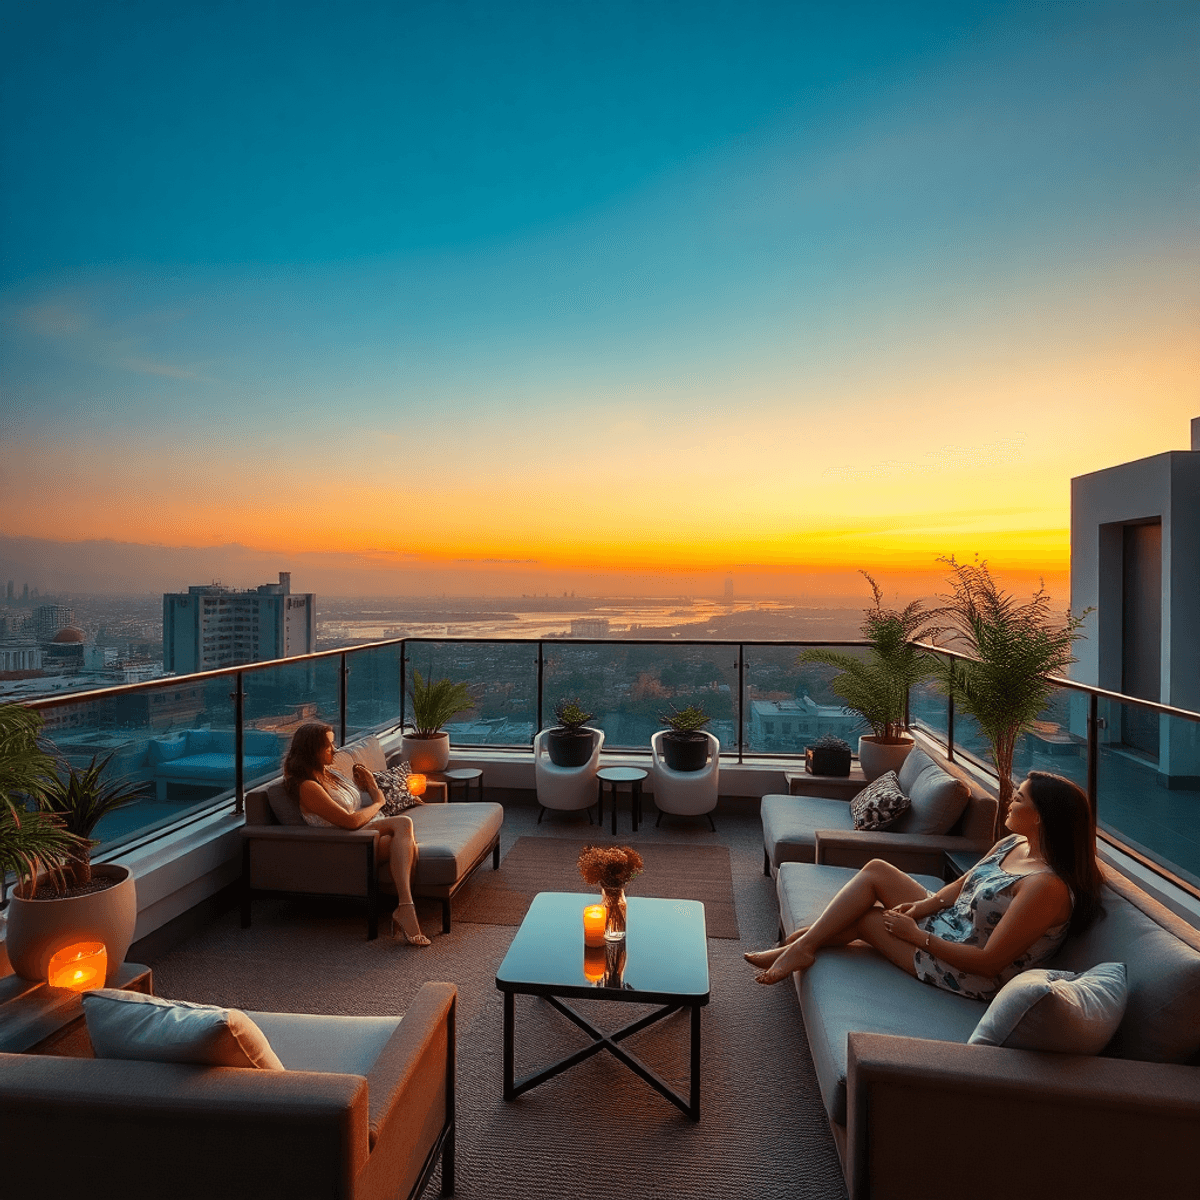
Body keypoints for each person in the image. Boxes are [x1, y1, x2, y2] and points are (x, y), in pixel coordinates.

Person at [746, 771, 1103, 996]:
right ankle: (803, 944)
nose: (1009, 801)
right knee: (876, 870)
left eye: (1019, 798)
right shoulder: (1014, 843)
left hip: (964, 970)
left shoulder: (1046, 887)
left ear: (1040, 817)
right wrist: (923, 907)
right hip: (953, 924)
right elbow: (965, 882)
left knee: (866, 919)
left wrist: (916, 935)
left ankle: (800, 945)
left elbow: (989, 962)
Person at [283, 722, 430, 947]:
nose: (335, 750)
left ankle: (404, 906)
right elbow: (350, 821)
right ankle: (406, 908)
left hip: (367, 833)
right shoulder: (308, 787)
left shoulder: (329, 773)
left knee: (398, 842)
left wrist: (371, 786)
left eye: (333, 744)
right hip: (347, 843)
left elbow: (356, 806)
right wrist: (379, 800)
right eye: (328, 746)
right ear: (312, 749)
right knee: (403, 825)